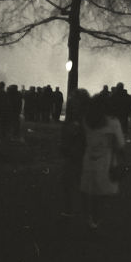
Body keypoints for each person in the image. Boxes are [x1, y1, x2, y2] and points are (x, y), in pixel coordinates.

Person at [80, 94, 125, 229]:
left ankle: (89, 221)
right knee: (102, 195)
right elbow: (120, 145)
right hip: (105, 161)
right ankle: (97, 223)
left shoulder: (86, 120)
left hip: (88, 160)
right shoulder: (113, 123)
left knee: (89, 192)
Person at [60, 89, 90, 218]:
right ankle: (84, 211)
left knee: (71, 183)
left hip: (76, 154)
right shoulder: (87, 116)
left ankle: (70, 209)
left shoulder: (77, 118)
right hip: (80, 154)